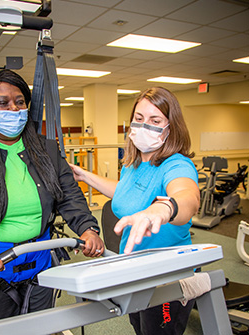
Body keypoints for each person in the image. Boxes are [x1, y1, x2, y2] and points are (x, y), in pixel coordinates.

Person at [0, 69, 104, 322]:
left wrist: (88, 228)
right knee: (5, 327)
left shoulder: (45, 147)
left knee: (42, 324)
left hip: (41, 257)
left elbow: (69, 194)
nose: (13, 109)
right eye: (2, 103)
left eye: (20, 102)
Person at [70, 87, 200, 335]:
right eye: (139, 119)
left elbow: (188, 196)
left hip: (166, 278)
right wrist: (84, 175)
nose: (144, 126)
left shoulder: (177, 164)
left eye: (155, 120)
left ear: (170, 128)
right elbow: (124, 192)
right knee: (139, 329)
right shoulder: (135, 163)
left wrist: (163, 208)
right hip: (135, 270)